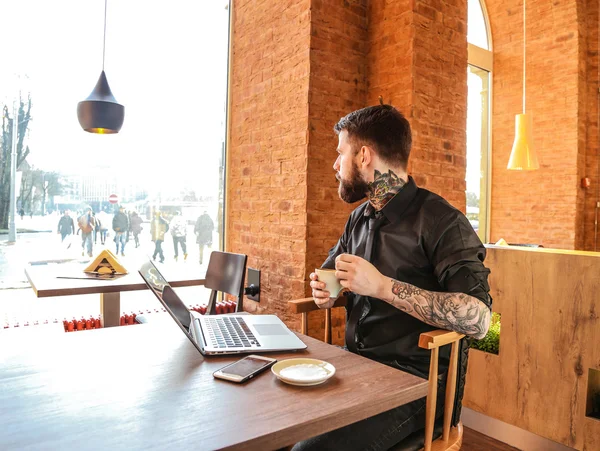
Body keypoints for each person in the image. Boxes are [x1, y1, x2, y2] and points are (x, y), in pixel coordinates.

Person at [295, 105, 492, 451]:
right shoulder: (358, 218)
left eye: (341, 153)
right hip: (357, 370)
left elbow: (479, 319)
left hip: (416, 389)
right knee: (275, 422)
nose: (335, 165)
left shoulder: (443, 222)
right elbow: (331, 278)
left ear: (365, 156)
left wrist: (383, 287)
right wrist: (325, 290)